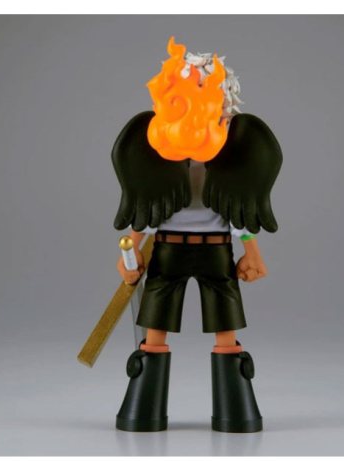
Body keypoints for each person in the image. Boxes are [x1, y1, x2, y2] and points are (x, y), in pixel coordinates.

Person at [112, 38, 282, 433]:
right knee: (155, 323)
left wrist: (252, 251)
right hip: (168, 250)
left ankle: (236, 409)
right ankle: (143, 408)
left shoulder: (232, 152)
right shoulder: (158, 148)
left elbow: (238, 213)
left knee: (226, 324)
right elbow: (147, 212)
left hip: (216, 251)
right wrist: (130, 251)